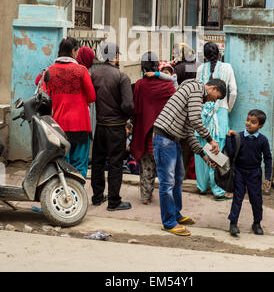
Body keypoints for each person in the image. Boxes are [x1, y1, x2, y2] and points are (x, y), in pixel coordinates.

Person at [153, 78, 227, 236]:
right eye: (216, 97)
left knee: (178, 178)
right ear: (213, 88)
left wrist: (203, 155)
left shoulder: (196, 97)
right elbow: (195, 120)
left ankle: (175, 214)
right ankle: (168, 222)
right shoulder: (196, 88)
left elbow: (188, 131)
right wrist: (210, 140)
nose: (214, 101)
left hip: (174, 140)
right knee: (167, 183)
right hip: (165, 138)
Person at [44, 37, 96, 179]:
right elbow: (92, 96)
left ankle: (65, 195)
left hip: (58, 126)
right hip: (80, 124)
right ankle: (77, 193)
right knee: (79, 163)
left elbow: (45, 99)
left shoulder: (49, 71)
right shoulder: (81, 70)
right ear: (73, 51)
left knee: (62, 163)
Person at [91, 43, 134, 211]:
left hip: (100, 125)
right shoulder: (122, 77)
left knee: (98, 162)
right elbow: (128, 106)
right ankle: (114, 201)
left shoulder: (94, 74)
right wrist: (127, 119)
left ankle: (97, 197)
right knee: (116, 164)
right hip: (116, 127)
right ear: (116, 56)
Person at [131, 52, 176, 205]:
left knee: (147, 165)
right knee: (165, 167)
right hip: (164, 133)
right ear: (157, 66)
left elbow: (136, 109)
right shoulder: (168, 86)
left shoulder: (139, 85)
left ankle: (145, 196)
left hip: (145, 131)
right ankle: (167, 197)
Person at [195, 42, 237, 200]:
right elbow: (233, 91)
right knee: (217, 150)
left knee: (201, 146)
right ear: (219, 54)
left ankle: (202, 186)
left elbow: (198, 90)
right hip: (221, 113)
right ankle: (218, 190)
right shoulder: (228, 68)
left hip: (203, 113)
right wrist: (228, 107)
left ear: (204, 56)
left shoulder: (200, 69)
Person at [225, 109, 272, 237]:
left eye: (253, 122)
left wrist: (267, 176)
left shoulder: (263, 140)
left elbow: (268, 158)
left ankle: (256, 223)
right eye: (247, 120)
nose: (248, 123)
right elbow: (230, 153)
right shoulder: (238, 136)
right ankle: (233, 224)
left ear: (260, 126)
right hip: (239, 172)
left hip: (255, 173)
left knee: (256, 200)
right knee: (237, 198)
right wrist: (229, 138)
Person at [170, 43, 200, 176]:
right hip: (195, 107)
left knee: (177, 143)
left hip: (179, 110)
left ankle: (177, 174)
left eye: (174, 53)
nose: (172, 55)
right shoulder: (198, 66)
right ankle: (186, 172)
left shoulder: (178, 68)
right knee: (189, 142)